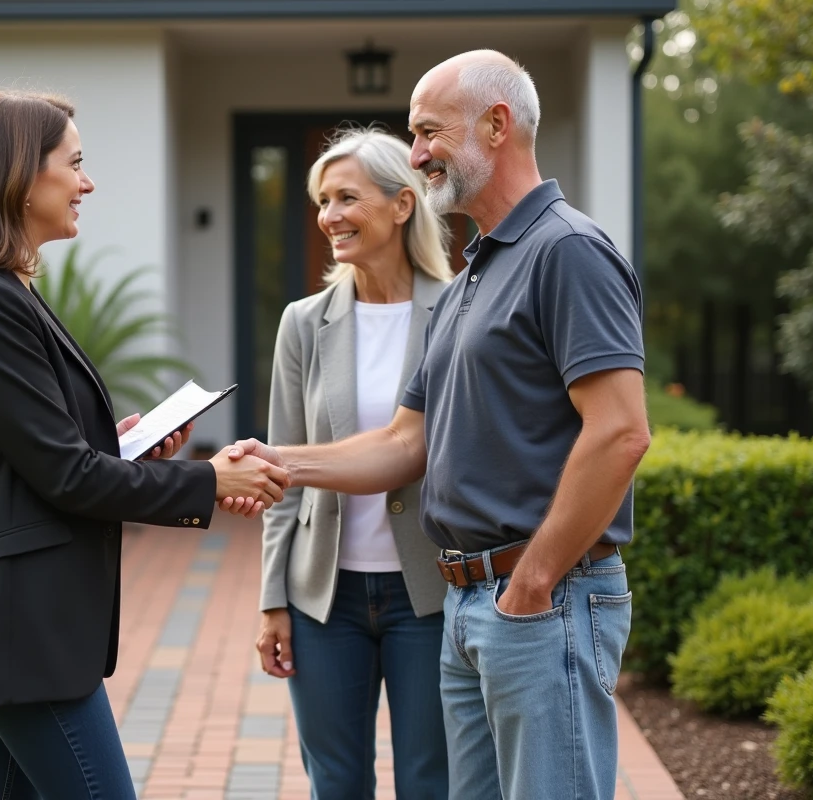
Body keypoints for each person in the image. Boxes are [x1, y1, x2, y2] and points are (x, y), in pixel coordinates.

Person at [228, 50, 651, 800]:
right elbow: (402, 443)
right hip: (468, 607)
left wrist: (534, 580)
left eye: (428, 132)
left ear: (496, 126)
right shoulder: (474, 281)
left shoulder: (568, 251)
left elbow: (620, 432)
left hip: (535, 601)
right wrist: (275, 461)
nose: (417, 154)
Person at [0, 89, 288, 800]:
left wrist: (127, 452)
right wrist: (209, 480)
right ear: (20, 177)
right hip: (21, 629)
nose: (87, 183)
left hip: (14, 625)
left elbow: (32, 456)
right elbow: (66, 476)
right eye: (74, 164)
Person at [256, 127, 452, 799]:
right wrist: (272, 600)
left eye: (346, 197)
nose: (329, 216)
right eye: (322, 200)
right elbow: (285, 474)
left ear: (402, 205)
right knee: (335, 784)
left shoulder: (456, 310)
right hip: (323, 598)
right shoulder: (304, 323)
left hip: (428, 594)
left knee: (431, 781)